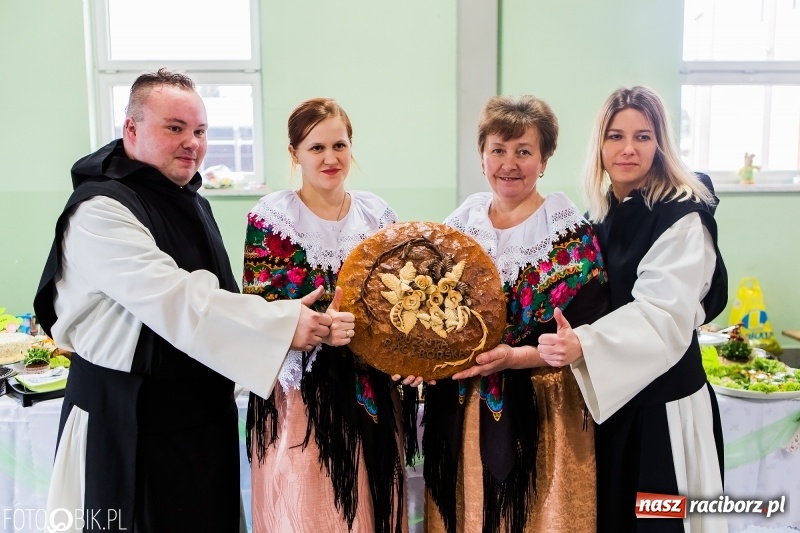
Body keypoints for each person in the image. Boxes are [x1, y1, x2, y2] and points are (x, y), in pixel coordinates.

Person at [33, 69, 335, 532]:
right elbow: (175, 298)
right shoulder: (101, 210)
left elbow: (221, 293)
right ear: (131, 129)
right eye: (174, 128)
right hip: (129, 421)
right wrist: (279, 324)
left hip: (195, 418)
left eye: (199, 131)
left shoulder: (190, 199)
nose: (191, 142)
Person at [538, 85, 728, 532]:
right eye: (615, 136)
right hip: (618, 402)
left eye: (643, 136)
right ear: (599, 146)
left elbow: (662, 314)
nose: (628, 149)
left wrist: (583, 343)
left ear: (660, 144)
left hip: (665, 409)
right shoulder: (604, 214)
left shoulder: (680, 215)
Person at [422, 95, 609, 533]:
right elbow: (430, 315)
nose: (510, 163)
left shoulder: (568, 236)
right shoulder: (457, 228)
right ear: (482, 155)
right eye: (498, 150)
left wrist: (515, 357)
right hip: (464, 405)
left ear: (544, 160)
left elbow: (590, 336)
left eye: (524, 151)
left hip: (545, 408)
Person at [244, 97, 420, 533]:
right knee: (308, 508)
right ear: (294, 154)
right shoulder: (271, 219)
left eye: (339, 145)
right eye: (316, 148)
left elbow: (401, 299)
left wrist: (414, 355)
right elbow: (259, 306)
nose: (330, 158)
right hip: (301, 392)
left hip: (371, 389)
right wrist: (318, 328)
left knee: (370, 507)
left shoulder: (377, 215)